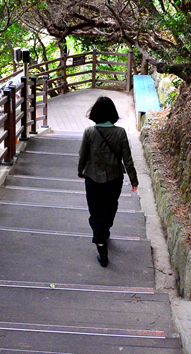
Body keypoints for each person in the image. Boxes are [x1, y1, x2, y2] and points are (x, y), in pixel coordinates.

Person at [77, 96, 138, 267]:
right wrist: (134, 180)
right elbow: (127, 159)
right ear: (112, 113)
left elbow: (83, 155)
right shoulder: (120, 133)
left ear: (95, 113)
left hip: (93, 177)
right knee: (111, 206)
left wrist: (80, 171)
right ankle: (104, 232)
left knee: (96, 211)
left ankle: (101, 245)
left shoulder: (89, 132)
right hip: (114, 177)